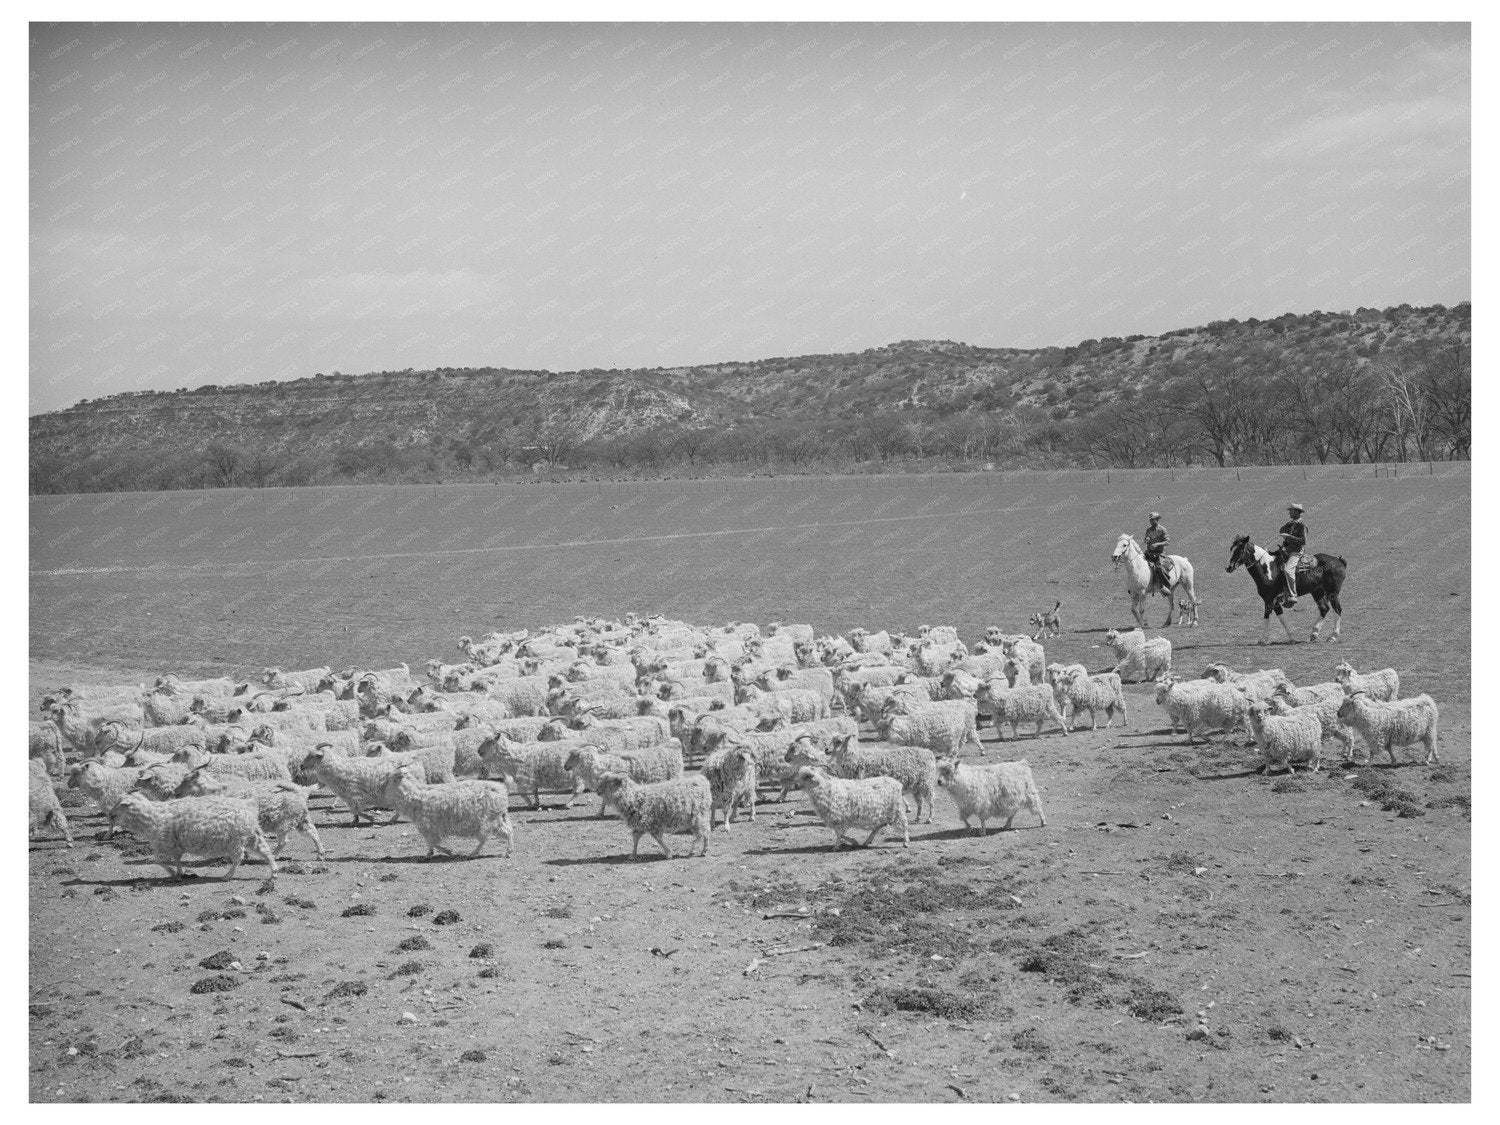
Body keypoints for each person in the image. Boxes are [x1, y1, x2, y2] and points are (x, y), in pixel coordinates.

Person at [1276, 502, 1307, 608]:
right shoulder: (1292, 523)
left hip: (1296, 551)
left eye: (1291, 511)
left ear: (1297, 512)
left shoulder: (1302, 525)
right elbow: (1281, 531)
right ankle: (1280, 592)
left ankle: (1293, 595)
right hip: (1287, 550)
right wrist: (1287, 526)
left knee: (1288, 570)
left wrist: (1288, 537)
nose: (1289, 512)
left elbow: (1303, 541)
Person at [1143, 512, 1170, 592]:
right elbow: (1146, 539)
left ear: (1157, 519)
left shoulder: (1162, 529)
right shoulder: (1148, 530)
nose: (1151, 521)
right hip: (1149, 553)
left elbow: (1167, 542)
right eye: (1150, 520)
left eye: (1153, 520)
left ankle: (1163, 586)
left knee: (1159, 568)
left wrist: (1157, 544)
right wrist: (1146, 540)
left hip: (1159, 554)